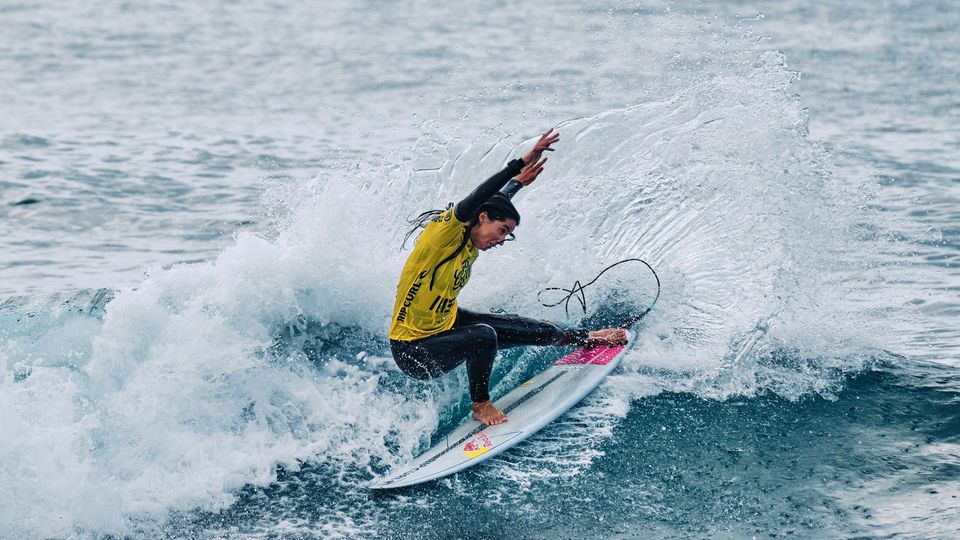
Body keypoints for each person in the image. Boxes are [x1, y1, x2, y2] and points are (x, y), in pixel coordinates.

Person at [388, 129, 627, 425]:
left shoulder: (474, 237)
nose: (502, 240)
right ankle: (481, 406)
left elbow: (496, 200)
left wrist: (517, 183)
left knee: (525, 326)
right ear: (483, 217)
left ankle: (586, 337)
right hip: (413, 350)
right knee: (483, 336)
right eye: (503, 231)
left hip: (444, 324)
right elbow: (480, 196)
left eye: (508, 235)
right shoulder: (443, 235)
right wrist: (518, 164)